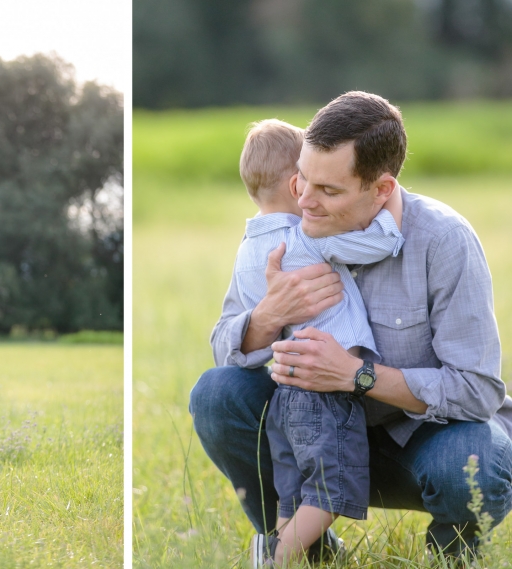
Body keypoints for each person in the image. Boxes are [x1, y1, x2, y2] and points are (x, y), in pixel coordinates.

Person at [190, 91, 512, 564]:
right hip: (313, 434)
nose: (304, 199)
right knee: (216, 394)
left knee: (474, 467)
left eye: (329, 191)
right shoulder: (285, 234)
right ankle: (306, 551)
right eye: (301, 179)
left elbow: (478, 391)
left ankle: (452, 556)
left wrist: (355, 376)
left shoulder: (444, 240)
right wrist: (268, 316)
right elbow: (225, 348)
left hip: (418, 438)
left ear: (380, 189)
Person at [233, 119, 405, 567]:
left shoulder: (247, 249)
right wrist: (395, 203)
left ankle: (288, 550)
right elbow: (381, 244)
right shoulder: (304, 238)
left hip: (286, 397)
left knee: (294, 491)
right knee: (333, 489)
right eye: (310, 181)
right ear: (296, 183)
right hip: (324, 394)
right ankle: (274, 555)